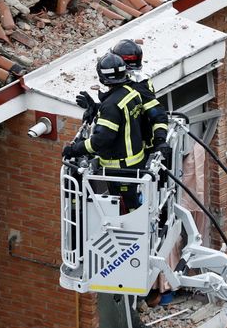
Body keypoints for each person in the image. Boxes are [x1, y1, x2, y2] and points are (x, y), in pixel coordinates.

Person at [63, 53, 147, 208]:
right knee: (132, 205)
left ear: (102, 78)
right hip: (136, 163)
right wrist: (95, 108)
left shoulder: (111, 105)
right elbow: (121, 119)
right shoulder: (131, 92)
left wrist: (74, 149)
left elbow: (101, 141)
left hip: (120, 170)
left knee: (127, 211)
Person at [111, 39, 171, 169]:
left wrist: (160, 140)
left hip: (141, 145)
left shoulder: (137, 86)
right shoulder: (140, 78)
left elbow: (158, 114)